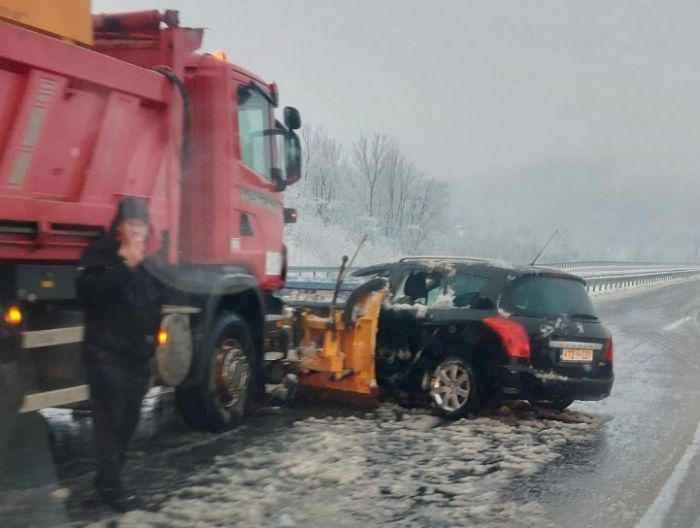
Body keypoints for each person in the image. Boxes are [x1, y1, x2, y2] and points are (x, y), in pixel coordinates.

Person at [76, 197, 166, 512]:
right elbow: (88, 293)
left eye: (141, 224)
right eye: (130, 224)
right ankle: (113, 488)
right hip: (106, 356)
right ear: (119, 227)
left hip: (137, 359)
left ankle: (108, 482)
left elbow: (156, 306)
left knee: (128, 422)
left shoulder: (150, 264)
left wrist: (152, 344)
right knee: (109, 424)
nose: (136, 231)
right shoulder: (100, 254)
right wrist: (123, 265)